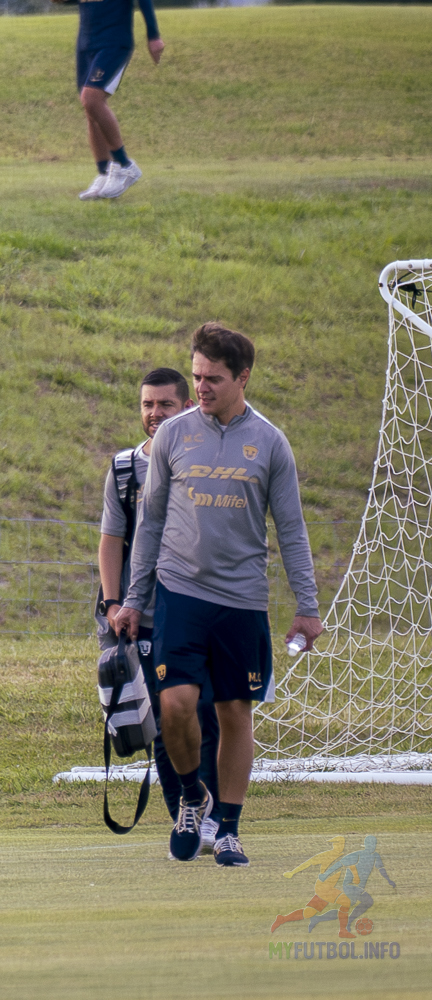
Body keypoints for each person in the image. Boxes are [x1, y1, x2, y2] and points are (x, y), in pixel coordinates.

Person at [115, 322, 324, 869]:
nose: (201, 387)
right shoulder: (174, 436)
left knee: (235, 712)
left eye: (213, 378)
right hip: (180, 592)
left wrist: (307, 607)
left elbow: (293, 530)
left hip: (243, 599)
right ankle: (191, 797)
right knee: (176, 704)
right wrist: (133, 599)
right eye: (197, 376)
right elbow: (151, 521)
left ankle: (228, 827)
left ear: (243, 378)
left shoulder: (272, 443)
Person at [97, 365, 220, 836]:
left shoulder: (210, 461)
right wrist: (113, 604)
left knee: (209, 714)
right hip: (143, 616)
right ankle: (186, 817)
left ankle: (215, 814)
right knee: (167, 720)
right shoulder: (125, 468)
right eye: (148, 404)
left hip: (203, 609)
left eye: (165, 404)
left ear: (188, 406)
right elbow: (112, 539)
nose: (155, 413)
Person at [37, 0, 164, 202]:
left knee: (93, 101)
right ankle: (104, 173)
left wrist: (153, 35)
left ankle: (125, 165)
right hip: (86, 40)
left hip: (115, 39)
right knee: (88, 108)